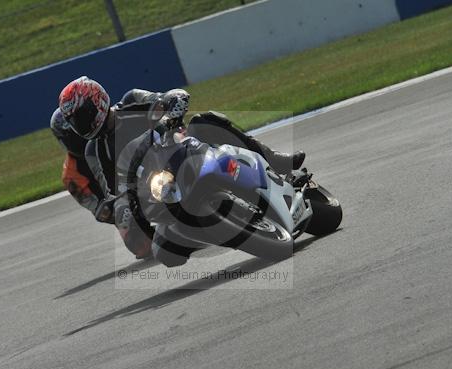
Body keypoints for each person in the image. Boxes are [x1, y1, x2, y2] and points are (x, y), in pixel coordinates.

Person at [51, 76, 305, 261]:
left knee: (205, 120)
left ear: (98, 102)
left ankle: (273, 159)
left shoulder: (131, 101)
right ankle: (211, 232)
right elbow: (112, 188)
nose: (80, 125)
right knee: (162, 252)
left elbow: (166, 98)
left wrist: (171, 106)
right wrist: (118, 205)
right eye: (75, 121)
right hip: (156, 188)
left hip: (180, 152)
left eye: (83, 115)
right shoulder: (93, 151)